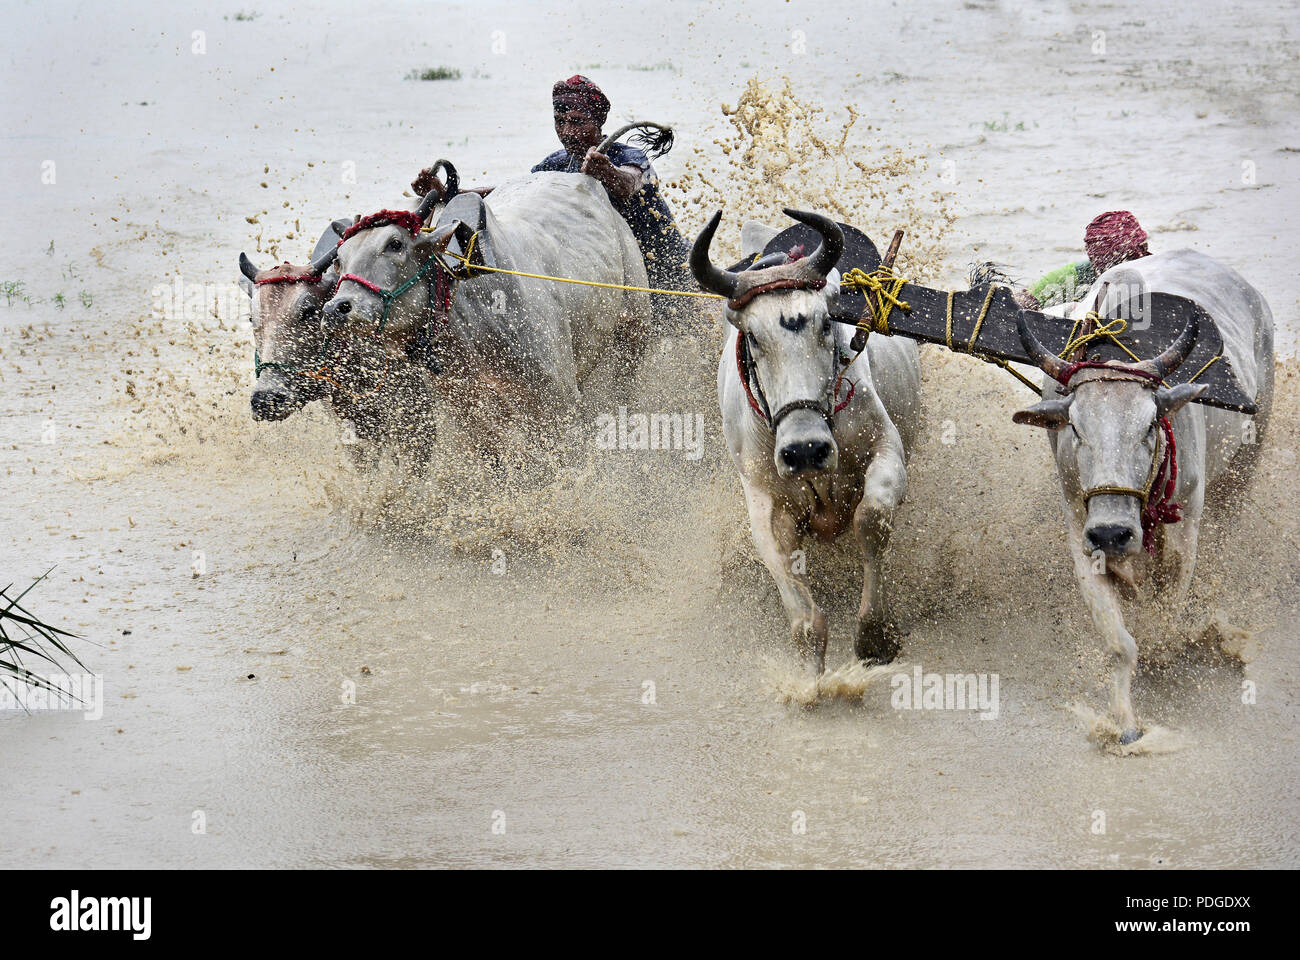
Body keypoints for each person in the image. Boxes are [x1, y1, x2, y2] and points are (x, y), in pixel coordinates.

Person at [412, 75, 695, 326]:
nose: (567, 132)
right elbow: (517, 191)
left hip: (663, 269)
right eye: (560, 122)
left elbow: (628, 182)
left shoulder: (628, 158)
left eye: (576, 122)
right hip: (613, 272)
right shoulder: (557, 164)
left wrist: (607, 173)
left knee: (681, 332)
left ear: (598, 122)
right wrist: (445, 193)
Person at [1021, 211, 1151, 310]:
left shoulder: (1156, 273)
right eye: (1099, 258)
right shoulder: (1079, 274)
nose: (1102, 263)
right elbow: (1026, 301)